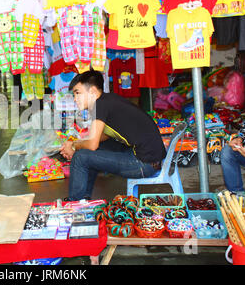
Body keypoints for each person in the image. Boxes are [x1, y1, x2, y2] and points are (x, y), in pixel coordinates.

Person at [60, 71, 166, 201]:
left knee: (81, 156)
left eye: (77, 93)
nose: (75, 99)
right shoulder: (107, 100)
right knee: (86, 151)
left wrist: (74, 146)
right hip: (150, 159)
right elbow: (102, 137)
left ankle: (75, 204)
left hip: (143, 163)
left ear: (92, 91)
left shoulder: (100, 105)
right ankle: (83, 200)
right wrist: (76, 144)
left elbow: (92, 144)